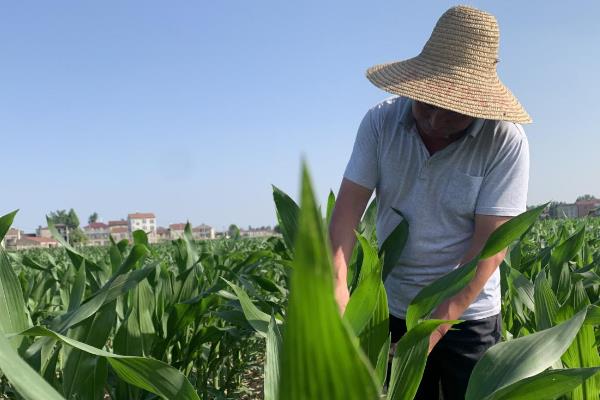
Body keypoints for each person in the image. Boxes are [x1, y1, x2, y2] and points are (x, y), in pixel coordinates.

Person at [328, 5, 530, 400]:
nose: (435, 121)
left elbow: (488, 249)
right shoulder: (380, 123)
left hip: (469, 315)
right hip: (394, 306)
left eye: (454, 113)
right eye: (427, 103)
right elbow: (346, 213)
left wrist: (435, 326)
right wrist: (336, 287)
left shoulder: (506, 142)